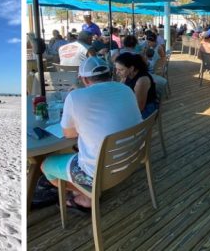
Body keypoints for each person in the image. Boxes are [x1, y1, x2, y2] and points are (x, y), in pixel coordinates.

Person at [40, 57, 142, 210]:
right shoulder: (126, 89)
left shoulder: (75, 97)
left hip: (100, 172)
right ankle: (84, 191)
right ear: (109, 74)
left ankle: (88, 195)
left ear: (85, 79)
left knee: (45, 165)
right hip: (131, 159)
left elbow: (69, 134)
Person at [115, 52, 158, 117]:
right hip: (132, 102)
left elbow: (139, 108)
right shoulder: (127, 74)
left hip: (147, 107)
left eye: (121, 70)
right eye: (116, 69)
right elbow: (120, 88)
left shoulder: (141, 81)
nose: (117, 72)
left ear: (131, 68)